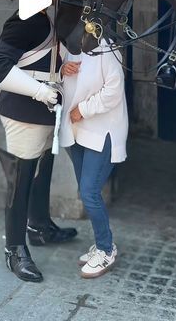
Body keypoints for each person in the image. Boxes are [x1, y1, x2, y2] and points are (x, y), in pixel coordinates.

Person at [0, 0, 77, 284]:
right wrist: (42, 91)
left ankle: (39, 226)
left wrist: (63, 65)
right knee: (21, 181)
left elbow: (42, 59)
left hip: (44, 111)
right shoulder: (25, 21)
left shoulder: (43, 21)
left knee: (41, 175)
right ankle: (14, 248)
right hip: (25, 111)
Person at [60, 39, 128, 278]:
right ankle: (103, 243)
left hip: (102, 130)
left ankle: (105, 249)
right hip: (76, 130)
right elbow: (59, 83)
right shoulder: (66, 45)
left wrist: (84, 109)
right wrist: (61, 70)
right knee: (87, 192)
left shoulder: (105, 47)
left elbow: (114, 89)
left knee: (89, 192)